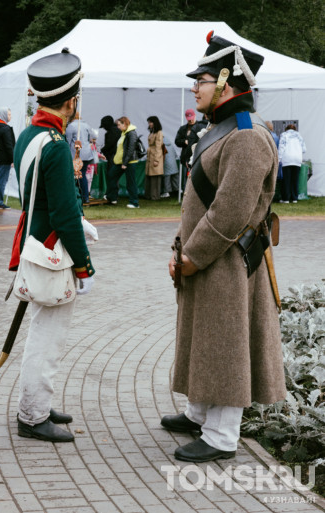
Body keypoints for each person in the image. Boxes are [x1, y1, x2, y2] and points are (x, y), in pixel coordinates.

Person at [161, 32, 286, 463]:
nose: (196, 86)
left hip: (228, 260)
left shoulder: (248, 137)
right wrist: (183, 250)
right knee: (206, 338)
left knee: (226, 344)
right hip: (206, 256)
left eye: (203, 79)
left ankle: (221, 436)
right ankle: (199, 413)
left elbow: (229, 214)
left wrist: (192, 256)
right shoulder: (222, 129)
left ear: (227, 82)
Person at [11, 49, 95, 443]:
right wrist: (84, 266)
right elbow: (63, 213)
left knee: (41, 333)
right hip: (51, 249)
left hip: (33, 241)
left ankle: (38, 404)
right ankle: (32, 414)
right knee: (49, 338)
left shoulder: (30, 133)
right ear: (71, 100)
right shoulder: (57, 144)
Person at [104, 116, 141, 208]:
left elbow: (131, 149)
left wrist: (125, 163)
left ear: (124, 124)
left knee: (130, 182)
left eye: (119, 125)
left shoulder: (131, 133)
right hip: (120, 161)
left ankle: (134, 202)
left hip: (129, 162)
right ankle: (112, 197)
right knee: (111, 175)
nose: (118, 127)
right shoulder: (124, 133)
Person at [0, 107, 16, 209]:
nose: (10, 116)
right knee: (2, 180)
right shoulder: (5, 129)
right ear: (4, 115)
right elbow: (9, 146)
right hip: (5, 158)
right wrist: (13, 159)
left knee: (0, 178)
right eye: (9, 114)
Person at [66, 112, 94, 204]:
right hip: (87, 154)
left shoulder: (71, 126)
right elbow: (92, 138)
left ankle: (82, 197)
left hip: (77, 154)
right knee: (83, 176)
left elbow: (68, 141)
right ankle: (85, 197)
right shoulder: (86, 125)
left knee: (78, 176)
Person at [278, 124, 306, 204]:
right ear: (295, 129)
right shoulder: (299, 136)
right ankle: (294, 198)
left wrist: (279, 159)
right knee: (295, 180)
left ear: (286, 129)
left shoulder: (284, 135)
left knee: (286, 180)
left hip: (287, 159)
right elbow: (304, 149)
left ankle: (286, 199)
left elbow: (281, 147)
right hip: (297, 159)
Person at [175, 108, 207, 176]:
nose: (191, 120)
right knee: (186, 180)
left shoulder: (200, 126)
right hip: (185, 158)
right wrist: (184, 141)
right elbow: (177, 141)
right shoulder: (183, 129)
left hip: (196, 156)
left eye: (192, 118)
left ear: (195, 115)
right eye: (189, 119)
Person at [144, 115, 164, 200]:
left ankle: (155, 196)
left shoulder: (159, 133)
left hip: (155, 156)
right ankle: (148, 195)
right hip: (150, 156)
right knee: (149, 176)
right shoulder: (152, 132)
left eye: (150, 122)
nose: (149, 124)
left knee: (155, 177)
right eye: (149, 122)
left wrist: (156, 160)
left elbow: (159, 147)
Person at [162, 134, 179, 198]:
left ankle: (167, 192)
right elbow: (175, 155)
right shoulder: (170, 144)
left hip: (166, 164)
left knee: (167, 178)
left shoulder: (162, 145)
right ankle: (177, 190)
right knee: (175, 178)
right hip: (174, 164)